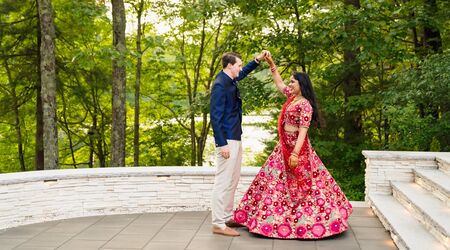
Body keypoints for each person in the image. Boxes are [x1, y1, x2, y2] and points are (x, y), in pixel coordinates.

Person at [232, 54, 353, 239]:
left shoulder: (305, 105)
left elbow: (303, 132)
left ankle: (309, 225)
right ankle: (255, 218)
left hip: (298, 149)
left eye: (293, 82)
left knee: (305, 186)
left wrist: (295, 153)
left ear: (301, 85)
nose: (289, 85)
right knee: (270, 182)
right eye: (290, 82)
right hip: (283, 147)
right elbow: (279, 83)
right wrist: (272, 63)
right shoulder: (292, 98)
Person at [210, 51, 268, 237]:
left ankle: (227, 217)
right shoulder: (220, 85)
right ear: (229, 66)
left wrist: (257, 60)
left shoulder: (230, 79)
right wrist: (222, 144)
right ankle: (218, 224)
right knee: (223, 182)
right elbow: (215, 117)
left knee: (232, 181)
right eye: (238, 65)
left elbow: (243, 74)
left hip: (235, 137)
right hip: (227, 140)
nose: (240, 68)